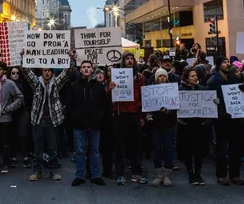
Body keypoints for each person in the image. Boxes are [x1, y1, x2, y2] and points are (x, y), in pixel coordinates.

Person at [21, 50, 75, 182]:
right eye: (44, 70)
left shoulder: (56, 83)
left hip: (52, 120)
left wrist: (70, 58)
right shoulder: (37, 83)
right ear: (42, 72)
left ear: (52, 72)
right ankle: (37, 171)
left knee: (53, 147)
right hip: (38, 120)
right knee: (37, 148)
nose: (46, 73)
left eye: (49, 71)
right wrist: (23, 57)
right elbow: (27, 73)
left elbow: (67, 72)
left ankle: (53, 171)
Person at [68, 59, 109, 187]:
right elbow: (70, 105)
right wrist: (75, 118)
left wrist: (100, 118)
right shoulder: (74, 86)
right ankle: (80, 175)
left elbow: (104, 104)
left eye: (88, 67)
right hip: (79, 125)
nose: (86, 69)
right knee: (80, 151)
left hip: (95, 124)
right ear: (80, 70)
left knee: (95, 151)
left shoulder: (98, 86)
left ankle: (95, 175)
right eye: (84, 67)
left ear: (92, 70)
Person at [206, 57, 244, 186]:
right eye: (224, 62)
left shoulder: (234, 79)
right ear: (218, 65)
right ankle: (221, 175)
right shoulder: (213, 81)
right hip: (221, 119)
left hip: (235, 117)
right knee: (221, 148)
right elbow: (209, 100)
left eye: (228, 62)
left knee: (236, 147)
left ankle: (235, 174)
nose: (227, 64)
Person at [111, 51, 147, 185]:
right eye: (127, 59)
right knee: (120, 146)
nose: (130, 61)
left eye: (132, 58)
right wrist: (110, 89)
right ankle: (120, 174)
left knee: (136, 145)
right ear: (123, 61)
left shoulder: (139, 77)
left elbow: (143, 96)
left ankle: (136, 173)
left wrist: (142, 116)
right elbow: (110, 96)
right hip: (121, 114)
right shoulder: (116, 76)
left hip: (135, 114)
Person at [179, 67, 213, 185]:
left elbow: (209, 105)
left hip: (200, 125)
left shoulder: (202, 89)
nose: (195, 78)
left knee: (199, 151)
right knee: (188, 151)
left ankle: (198, 174)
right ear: (186, 78)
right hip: (186, 125)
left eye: (196, 76)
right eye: (192, 76)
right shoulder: (181, 90)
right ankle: (190, 174)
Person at [145, 68, 177, 187]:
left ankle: (167, 175)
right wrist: (148, 115)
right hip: (156, 125)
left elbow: (175, 107)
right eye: (160, 76)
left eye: (164, 76)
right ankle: (158, 174)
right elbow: (147, 105)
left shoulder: (172, 90)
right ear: (156, 78)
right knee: (157, 150)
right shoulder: (151, 90)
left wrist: (169, 111)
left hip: (169, 124)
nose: (162, 78)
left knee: (168, 150)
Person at [8, 67, 33, 169]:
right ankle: (13, 158)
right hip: (10, 113)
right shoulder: (6, 84)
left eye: (17, 73)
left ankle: (25, 157)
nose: (15, 75)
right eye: (13, 73)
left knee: (23, 135)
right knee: (12, 135)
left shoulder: (24, 84)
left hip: (22, 112)